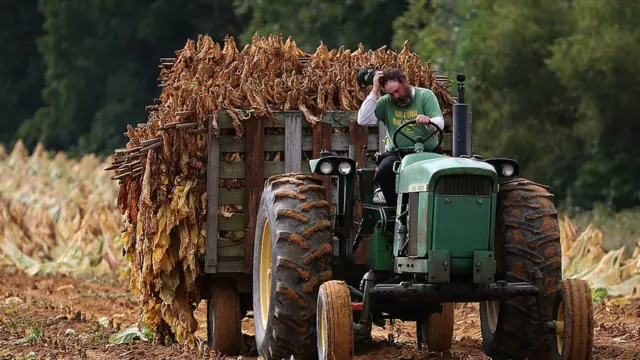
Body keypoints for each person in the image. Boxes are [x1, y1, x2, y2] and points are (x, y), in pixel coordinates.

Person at [357, 67, 445, 207]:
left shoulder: (425, 96)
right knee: (384, 171)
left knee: (441, 174)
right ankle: (397, 212)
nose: (396, 96)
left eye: (397, 91)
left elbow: (439, 123)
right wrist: (374, 91)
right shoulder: (386, 102)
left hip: (428, 153)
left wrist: (429, 122)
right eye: (391, 94)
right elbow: (363, 120)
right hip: (399, 154)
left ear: (404, 81)